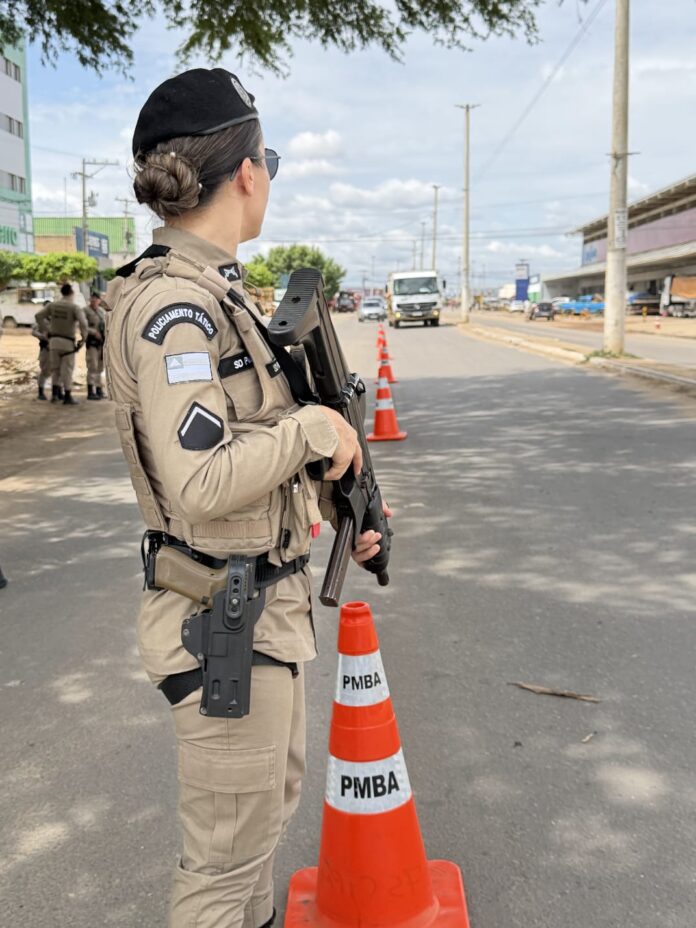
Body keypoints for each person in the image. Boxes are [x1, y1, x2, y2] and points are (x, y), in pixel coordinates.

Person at [103, 68, 387, 928]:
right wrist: (311, 434)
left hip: (257, 613)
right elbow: (197, 479)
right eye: (272, 160)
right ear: (250, 171)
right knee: (224, 872)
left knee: (253, 839)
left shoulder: (216, 293)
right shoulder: (175, 309)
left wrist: (340, 497)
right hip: (221, 624)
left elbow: (244, 445)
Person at [43, 283, 87, 405]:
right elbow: (84, 324)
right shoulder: (74, 307)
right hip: (67, 343)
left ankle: (55, 395)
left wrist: (47, 330)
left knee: (55, 370)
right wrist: (83, 339)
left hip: (53, 342)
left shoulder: (53, 305)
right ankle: (67, 396)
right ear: (71, 293)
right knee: (67, 370)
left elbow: (38, 316)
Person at [85, 291, 106, 399]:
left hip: (102, 343)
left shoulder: (102, 311)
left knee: (100, 367)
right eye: (92, 299)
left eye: (96, 299)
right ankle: (90, 391)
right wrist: (93, 332)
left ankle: (99, 389)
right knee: (92, 366)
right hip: (92, 342)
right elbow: (83, 326)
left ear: (99, 300)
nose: (94, 301)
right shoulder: (85, 311)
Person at [32, 299, 52, 400]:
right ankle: (41, 392)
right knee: (45, 370)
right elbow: (34, 332)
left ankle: (58, 393)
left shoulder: (55, 319)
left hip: (56, 349)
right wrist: (42, 336)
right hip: (45, 349)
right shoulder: (41, 320)